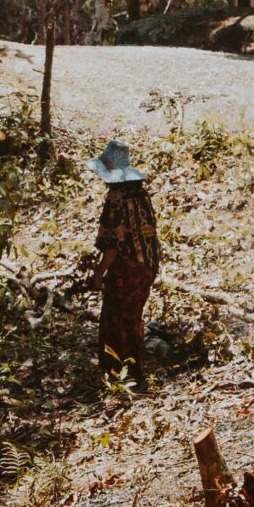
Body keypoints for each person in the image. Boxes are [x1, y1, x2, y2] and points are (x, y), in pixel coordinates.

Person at [88, 141, 159, 387]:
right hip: (148, 265)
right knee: (132, 317)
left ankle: (122, 373)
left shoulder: (116, 198)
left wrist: (99, 275)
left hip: (128, 267)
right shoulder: (141, 194)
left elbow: (112, 245)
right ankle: (134, 370)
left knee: (116, 318)